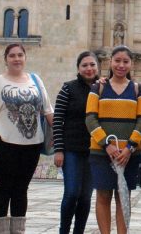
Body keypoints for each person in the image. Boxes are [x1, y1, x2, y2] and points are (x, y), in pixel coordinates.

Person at [0, 43, 54, 234]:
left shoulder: (36, 80)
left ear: (25, 57)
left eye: (20, 55)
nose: (17, 58)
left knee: (21, 189)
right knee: (3, 188)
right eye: (12, 55)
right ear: (6, 59)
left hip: (32, 144)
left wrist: (62, 133)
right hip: (4, 143)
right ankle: (1, 231)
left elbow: (47, 110)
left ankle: (18, 231)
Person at [86, 46, 141, 234]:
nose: (121, 65)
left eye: (125, 61)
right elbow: (90, 118)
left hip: (128, 154)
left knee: (123, 196)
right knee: (103, 195)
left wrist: (129, 148)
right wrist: (106, 144)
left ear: (131, 64)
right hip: (101, 152)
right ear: (110, 61)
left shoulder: (139, 90)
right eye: (117, 61)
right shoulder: (98, 87)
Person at [54, 51, 99, 234]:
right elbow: (58, 119)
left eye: (92, 65)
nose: (89, 69)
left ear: (98, 67)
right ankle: (64, 230)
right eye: (84, 65)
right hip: (71, 149)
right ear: (78, 69)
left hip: (94, 150)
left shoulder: (103, 89)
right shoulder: (68, 88)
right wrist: (59, 149)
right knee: (72, 192)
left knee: (86, 196)